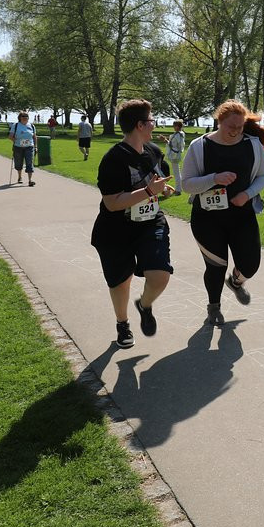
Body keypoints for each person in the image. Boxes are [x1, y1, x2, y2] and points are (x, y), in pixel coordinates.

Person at [181, 99, 264, 327]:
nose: (235, 132)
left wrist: (247, 193)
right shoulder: (199, 146)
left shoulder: (252, 145)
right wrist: (213, 178)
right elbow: (186, 184)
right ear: (219, 121)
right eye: (230, 127)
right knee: (216, 266)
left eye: (239, 127)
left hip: (242, 216)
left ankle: (235, 282)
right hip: (207, 218)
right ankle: (213, 308)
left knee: (251, 264)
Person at [90, 99, 175, 348]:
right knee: (120, 281)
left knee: (160, 275)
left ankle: (145, 305)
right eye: (151, 120)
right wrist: (150, 191)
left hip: (150, 223)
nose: (153, 124)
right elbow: (113, 203)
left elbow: (159, 184)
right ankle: (122, 324)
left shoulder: (154, 152)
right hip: (116, 229)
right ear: (140, 125)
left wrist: (163, 191)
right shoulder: (113, 159)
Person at [9, 112, 38, 186]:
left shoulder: (31, 126)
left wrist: (35, 146)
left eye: (26, 116)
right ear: (20, 117)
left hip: (29, 147)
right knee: (18, 163)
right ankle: (19, 177)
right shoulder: (15, 125)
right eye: (23, 116)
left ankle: (30, 180)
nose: (25, 117)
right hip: (18, 147)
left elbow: (34, 137)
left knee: (29, 162)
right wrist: (16, 141)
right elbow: (10, 136)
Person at [160, 120, 186, 195]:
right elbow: (172, 145)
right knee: (177, 171)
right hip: (174, 154)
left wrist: (176, 151)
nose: (173, 127)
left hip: (175, 155)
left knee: (176, 172)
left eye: (174, 125)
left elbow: (180, 146)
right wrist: (166, 140)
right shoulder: (178, 134)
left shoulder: (179, 135)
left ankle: (178, 190)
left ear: (178, 126)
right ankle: (179, 188)